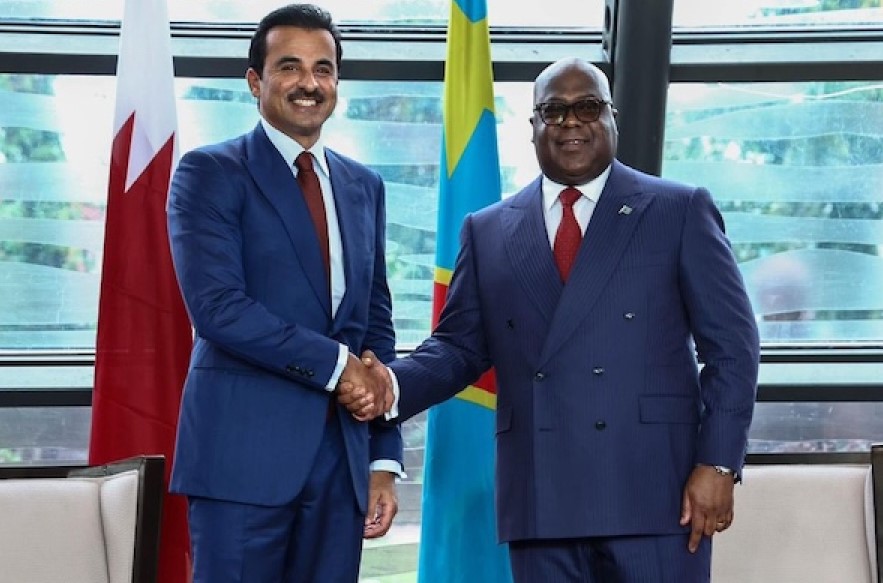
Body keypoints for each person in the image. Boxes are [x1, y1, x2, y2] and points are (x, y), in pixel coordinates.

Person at [341, 57, 759, 582]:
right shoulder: (488, 230)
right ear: (532, 126)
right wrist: (391, 385)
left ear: (612, 117)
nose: (571, 123)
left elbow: (733, 349)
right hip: (542, 495)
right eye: (553, 111)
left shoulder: (677, 210)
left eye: (587, 107)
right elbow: (459, 348)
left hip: (656, 490)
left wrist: (718, 463)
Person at [166, 4, 399, 582]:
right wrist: (338, 366)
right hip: (242, 462)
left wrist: (383, 459)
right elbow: (218, 308)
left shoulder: (363, 186)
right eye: (289, 66)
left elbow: (376, 327)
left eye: (324, 69)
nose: (308, 84)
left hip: (341, 466)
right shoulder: (210, 173)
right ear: (255, 81)